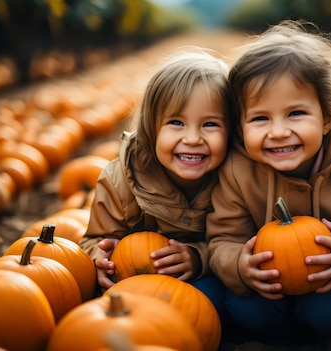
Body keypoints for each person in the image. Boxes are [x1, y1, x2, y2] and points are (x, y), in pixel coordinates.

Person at [206, 20, 331, 344]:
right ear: (239, 127)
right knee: (243, 310)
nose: (279, 131)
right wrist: (241, 266)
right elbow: (222, 238)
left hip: (327, 278)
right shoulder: (237, 172)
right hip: (266, 284)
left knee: (330, 312)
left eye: (295, 113)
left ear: (327, 117)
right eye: (260, 118)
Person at [79, 48, 232, 320]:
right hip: (134, 280)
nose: (193, 138)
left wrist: (198, 258)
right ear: (152, 127)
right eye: (176, 123)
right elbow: (94, 239)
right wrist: (98, 259)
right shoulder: (122, 179)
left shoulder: (233, 178)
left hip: (199, 279)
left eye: (209, 124)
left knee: (216, 298)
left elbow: (238, 238)